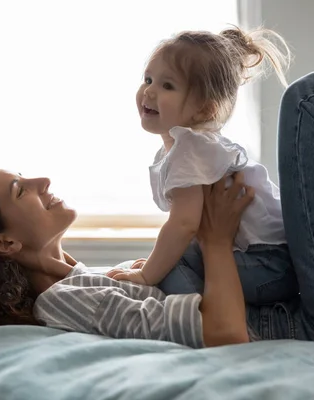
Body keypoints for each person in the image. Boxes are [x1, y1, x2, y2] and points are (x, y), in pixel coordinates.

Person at [0, 70, 314, 346]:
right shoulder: (65, 302)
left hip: (306, 298)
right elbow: (224, 333)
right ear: (4, 242)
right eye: (21, 190)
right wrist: (214, 242)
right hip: (312, 321)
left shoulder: (80, 280)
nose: (42, 182)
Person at [106, 26, 298, 307]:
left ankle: (209, 319)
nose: (149, 91)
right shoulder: (189, 146)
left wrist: (148, 274)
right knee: (170, 260)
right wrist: (153, 265)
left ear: (205, 110)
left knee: (168, 268)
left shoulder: (192, 149)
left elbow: (183, 225)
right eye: (148, 79)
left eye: (167, 85)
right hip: (270, 263)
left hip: (269, 266)